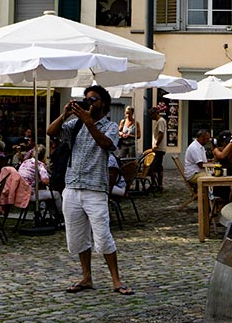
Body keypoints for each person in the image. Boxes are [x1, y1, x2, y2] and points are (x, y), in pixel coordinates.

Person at [47, 85, 132, 295]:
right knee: (77, 236)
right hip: (73, 186)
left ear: (103, 102)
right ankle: (86, 277)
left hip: (95, 188)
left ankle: (116, 280)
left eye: (93, 99)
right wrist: (65, 113)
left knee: (103, 236)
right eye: (87, 99)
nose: (89, 103)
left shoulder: (110, 126)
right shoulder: (75, 125)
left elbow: (107, 144)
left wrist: (88, 121)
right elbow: (51, 132)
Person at [148, 107, 168, 191]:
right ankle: (155, 184)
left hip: (159, 148)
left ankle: (158, 185)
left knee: (156, 167)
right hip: (157, 148)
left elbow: (161, 134)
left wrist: (156, 144)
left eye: (151, 115)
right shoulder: (157, 122)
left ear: (155, 113)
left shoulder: (160, 121)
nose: (150, 117)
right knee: (156, 167)